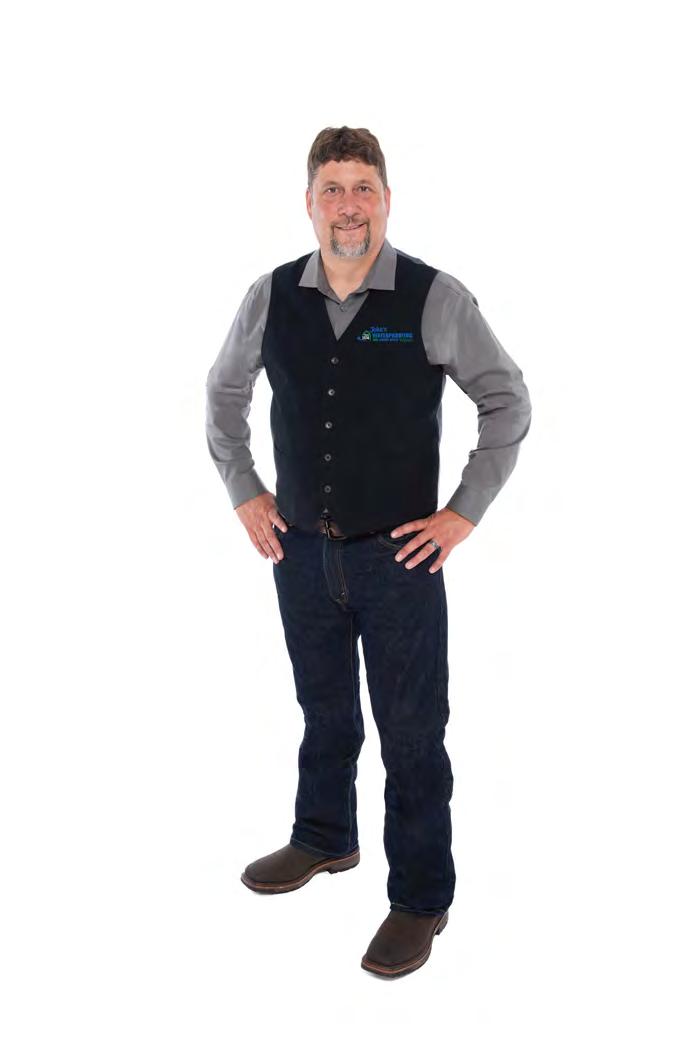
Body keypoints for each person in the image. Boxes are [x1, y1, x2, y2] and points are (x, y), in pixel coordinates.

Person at [205, 125, 532, 978]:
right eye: (333, 188)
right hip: (299, 553)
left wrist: (461, 513)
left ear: (387, 200)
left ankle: (420, 898)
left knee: (413, 733)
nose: (348, 205)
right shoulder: (270, 295)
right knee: (323, 710)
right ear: (308, 202)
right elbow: (223, 392)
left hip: (401, 562)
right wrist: (244, 488)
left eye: (363, 188)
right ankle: (324, 835)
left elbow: (507, 400)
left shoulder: (433, 297)